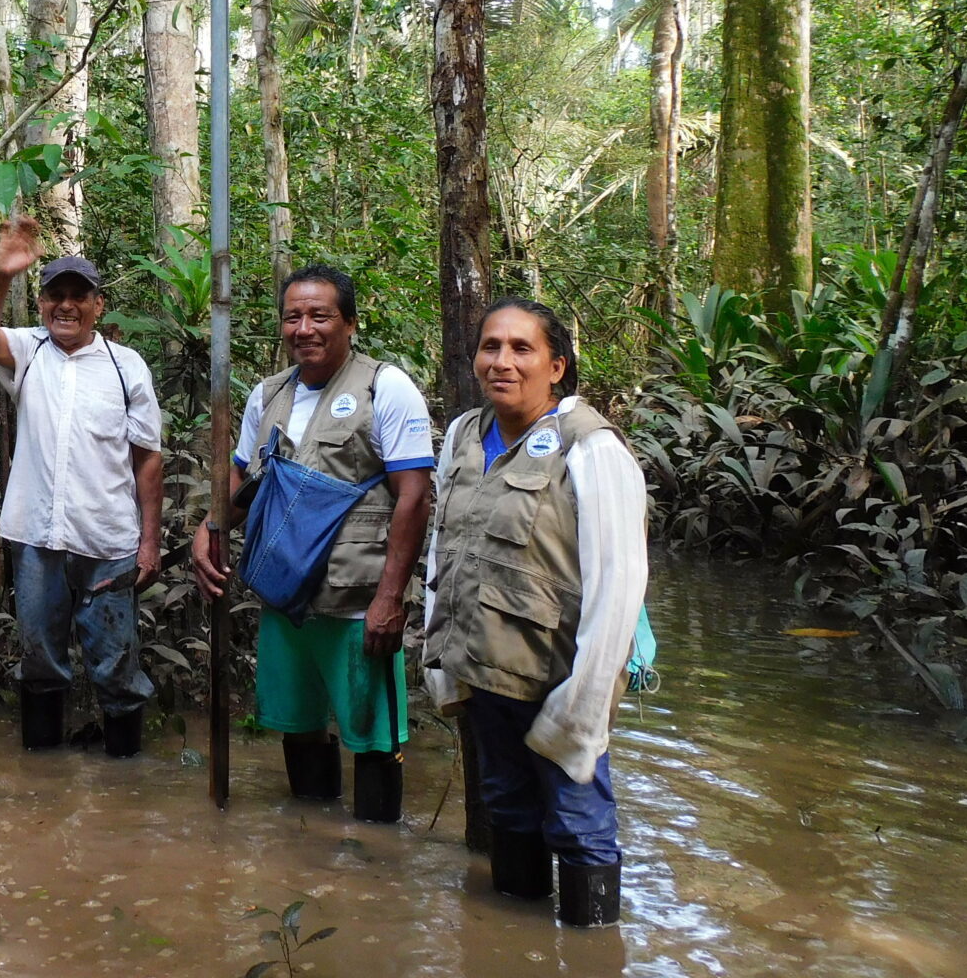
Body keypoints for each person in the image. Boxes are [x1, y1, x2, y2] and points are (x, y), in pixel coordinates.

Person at [421, 298, 648, 927]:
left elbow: (620, 584)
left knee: (580, 829)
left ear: (557, 366)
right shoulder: (466, 435)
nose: (502, 361)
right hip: (484, 674)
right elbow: (443, 550)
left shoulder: (591, 447)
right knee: (508, 809)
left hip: (558, 684)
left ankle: (593, 954)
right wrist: (436, 655)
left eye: (523, 349)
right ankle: (509, 947)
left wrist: (584, 706)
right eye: (491, 347)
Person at [192, 264, 434, 820]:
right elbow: (239, 481)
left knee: (373, 735)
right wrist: (209, 530)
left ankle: (375, 855)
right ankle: (310, 847)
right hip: (286, 595)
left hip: (356, 599)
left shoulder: (384, 387)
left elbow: (413, 497)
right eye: (293, 317)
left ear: (349, 322)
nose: (305, 328)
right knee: (297, 727)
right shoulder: (268, 394)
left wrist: (390, 599)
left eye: (320, 315)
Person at [0, 215, 166, 757]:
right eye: (56, 295)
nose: (67, 305)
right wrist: (1, 276)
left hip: (107, 539)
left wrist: (150, 541)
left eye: (79, 296)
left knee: (116, 661)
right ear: (41, 304)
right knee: (39, 658)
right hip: (35, 535)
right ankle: (43, 786)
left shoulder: (127, 369)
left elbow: (147, 460)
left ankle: (123, 781)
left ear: (98, 305)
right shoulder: (29, 350)